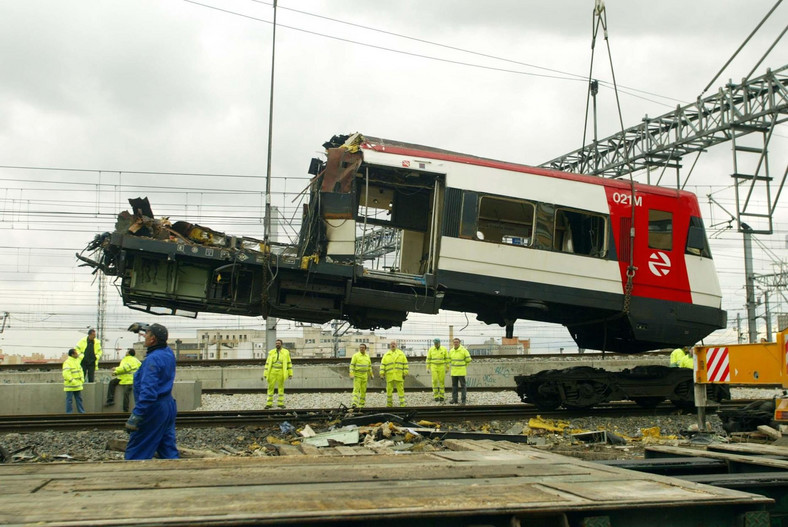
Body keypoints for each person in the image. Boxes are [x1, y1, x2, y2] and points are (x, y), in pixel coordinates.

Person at [124, 323, 179, 460]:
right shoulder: (167, 352)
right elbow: (159, 333)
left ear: (153, 339)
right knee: (166, 447)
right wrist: (143, 327)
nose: (144, 336)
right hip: (167, 406)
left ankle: (132, 478)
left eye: (146, 334)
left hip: (153, 409)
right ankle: (176, 475)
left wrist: (137, 415)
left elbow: (148, 393)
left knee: (137, 450)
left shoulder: (152, 360)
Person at [262, 339, 292, 409]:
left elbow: (289, 363)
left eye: (278, 343)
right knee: (270, 387)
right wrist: (265, 373)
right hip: (272, 371)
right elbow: (267, 363)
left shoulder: (286, 352)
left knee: (281, 387)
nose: (277, 344)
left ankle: (280, 403)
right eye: (276, 343)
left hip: (281, 371)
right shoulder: (271, 352)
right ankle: (269, 403)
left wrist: (290, 373)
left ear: (281, 344)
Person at [380, 341, 408, 407]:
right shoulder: (386, 355)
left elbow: (405, 364)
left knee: (400, 390)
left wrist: (405, 372)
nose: (393, 345)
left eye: (394, 344)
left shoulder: (401, 354)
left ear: (396, 345)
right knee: (389, 391)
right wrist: (382, 373)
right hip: (390, 376)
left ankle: (402, 404)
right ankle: (389, 404)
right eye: (391, 344)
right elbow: (383, 365)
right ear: (390, 346)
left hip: (399, 375)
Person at [349, 343, 374, 408]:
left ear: (365, 349)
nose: (361, 348)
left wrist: (371, 374)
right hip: (357, 375)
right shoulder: (356, 356)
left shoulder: (367, 356)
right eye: (360, 347)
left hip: (364, 376)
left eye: (363, 347)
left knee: (363, 390)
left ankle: (361, 404)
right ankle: (354, 403)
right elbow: (352, 365)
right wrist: (351, 373)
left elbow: (369, 366)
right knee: (356, 390)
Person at [449, 337, 472, 405]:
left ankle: (463, 400)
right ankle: (454, 399)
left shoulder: (463, 350)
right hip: (454, 372)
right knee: (454, 386)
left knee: (463, 386)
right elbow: (449, 360)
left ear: (459, 343)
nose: (455, 343)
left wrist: (464, 365)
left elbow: (469, 359)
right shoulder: (451, 351)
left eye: (457, 342)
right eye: (454, 342)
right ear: (453, 343)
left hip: (461, 372)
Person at [63, 348, 85, 414]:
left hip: (77, 385)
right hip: (71, 385)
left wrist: (82, 379)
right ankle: (69, 413)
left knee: (79, 399)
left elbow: (80, 371)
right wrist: (72, 381)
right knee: (70, 400)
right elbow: (66, 374)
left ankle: (81, 412)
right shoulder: (67, 362)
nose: (77, 354)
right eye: (76, 353)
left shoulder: (76, 361)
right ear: (72, 354)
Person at [426, 338, 449, 403]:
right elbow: (428, 359)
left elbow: (447, 358)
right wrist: (427, 368)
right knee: (435, 380)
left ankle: (442, 396)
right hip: (434, 366)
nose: (436, 344)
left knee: (442, 381)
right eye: (435, 343)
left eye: (437, 343)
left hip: (441, 366)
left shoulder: (444, 349)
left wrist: (447, 367)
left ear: (439, 343)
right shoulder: (431, 349)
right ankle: (436, 396)